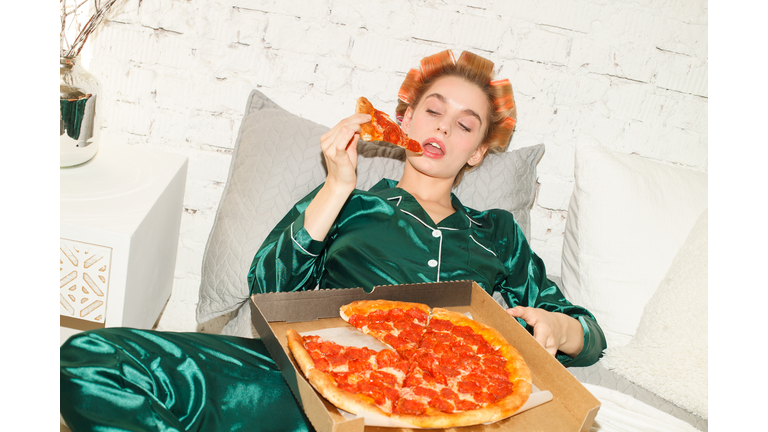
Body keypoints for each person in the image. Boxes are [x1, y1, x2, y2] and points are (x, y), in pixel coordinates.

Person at [60, 50, 606, 432]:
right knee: (88, 357)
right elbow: (267, 287)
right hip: (304, 385)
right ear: (405, 118)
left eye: (465, 126)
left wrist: (560, 326)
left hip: (449, 402)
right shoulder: (354, 203)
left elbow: (588, 334)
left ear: (480, 152)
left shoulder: (497, 233)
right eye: (432, 111)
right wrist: (338, 183)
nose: (441, 129)